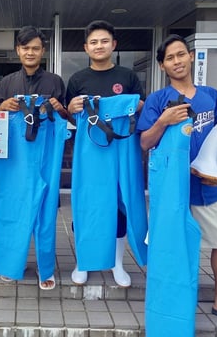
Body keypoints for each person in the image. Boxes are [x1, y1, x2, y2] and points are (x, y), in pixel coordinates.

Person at [137, 34, 217, 329]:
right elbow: (145, 143)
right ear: (162, 66)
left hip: (206, 187)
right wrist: (163, 121)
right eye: (169, 58)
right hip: (171, 189)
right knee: (170, 247)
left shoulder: (210, 96)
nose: (177, 61)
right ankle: (169, 305)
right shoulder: (157, 100)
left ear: (190, 56)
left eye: (180, 54)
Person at [66, 20, 147, 287]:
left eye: (104, 41)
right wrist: (72, 107)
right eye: (93, 42)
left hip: (122, 147)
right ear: (85, 47)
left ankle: (117, 264)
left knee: (120, 205)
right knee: (88, 204)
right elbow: (70, 115)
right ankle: (84, 261)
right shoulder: (77, 80)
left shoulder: (128, 77)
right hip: (90, 151)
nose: (99, 46)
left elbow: (142, 108)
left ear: (113, 44)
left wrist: (128, 104)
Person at [0, 26, 68, 290]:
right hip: (15, 154)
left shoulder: (55, 82)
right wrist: (3, 106)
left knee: (45, 209)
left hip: (46, 150)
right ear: (17, 50)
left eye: (35, 48)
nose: (30, 52)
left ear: (43, 51)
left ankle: (46, 267)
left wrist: (58, 107)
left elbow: (67, 117)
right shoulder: (7, 82)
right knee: (12, 207)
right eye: (25, 48)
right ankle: (12, 263)